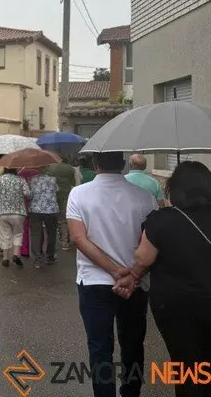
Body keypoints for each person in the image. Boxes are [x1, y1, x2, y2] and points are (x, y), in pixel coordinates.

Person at [114, 161, 211, 397]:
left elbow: (143, 257)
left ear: (175, 191)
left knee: (188, 365)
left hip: (176, 307)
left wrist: (132, 275)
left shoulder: (163, 219)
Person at [66, 151, 158, 397]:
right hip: (135, 283)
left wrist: (113, 270)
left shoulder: (78, 194)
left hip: (94, 282)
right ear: (123, 163)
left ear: (95, 164)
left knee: (99, 348)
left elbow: (78, 238)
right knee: (133, 344)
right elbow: (151, 242)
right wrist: (130, 274)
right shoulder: (145, 197)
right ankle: (131, 392)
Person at [0, 168, 29, 268]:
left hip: (2, 212)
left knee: (5, 235)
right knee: (18, 234)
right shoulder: (20, 180)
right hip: (18, 212)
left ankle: (5, 258)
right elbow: (28, 193)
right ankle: (16, 254)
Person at [44, 157, 78, 250]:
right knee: (64, 218)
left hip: (53, 196)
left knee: (53, 219)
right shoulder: (70, 168)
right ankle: (64, 241)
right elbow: (73, 182)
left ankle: (54, 240)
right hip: (66, 195)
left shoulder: (51, 168)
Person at [28, 172, 59, 268]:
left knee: (35, 234)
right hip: (51, 210)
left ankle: (38, 259)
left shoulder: (31, 180)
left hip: (36, 210)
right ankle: (50, 256)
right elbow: (56, 190)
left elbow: (29, 195)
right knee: (51, 234)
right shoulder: (53, 179)